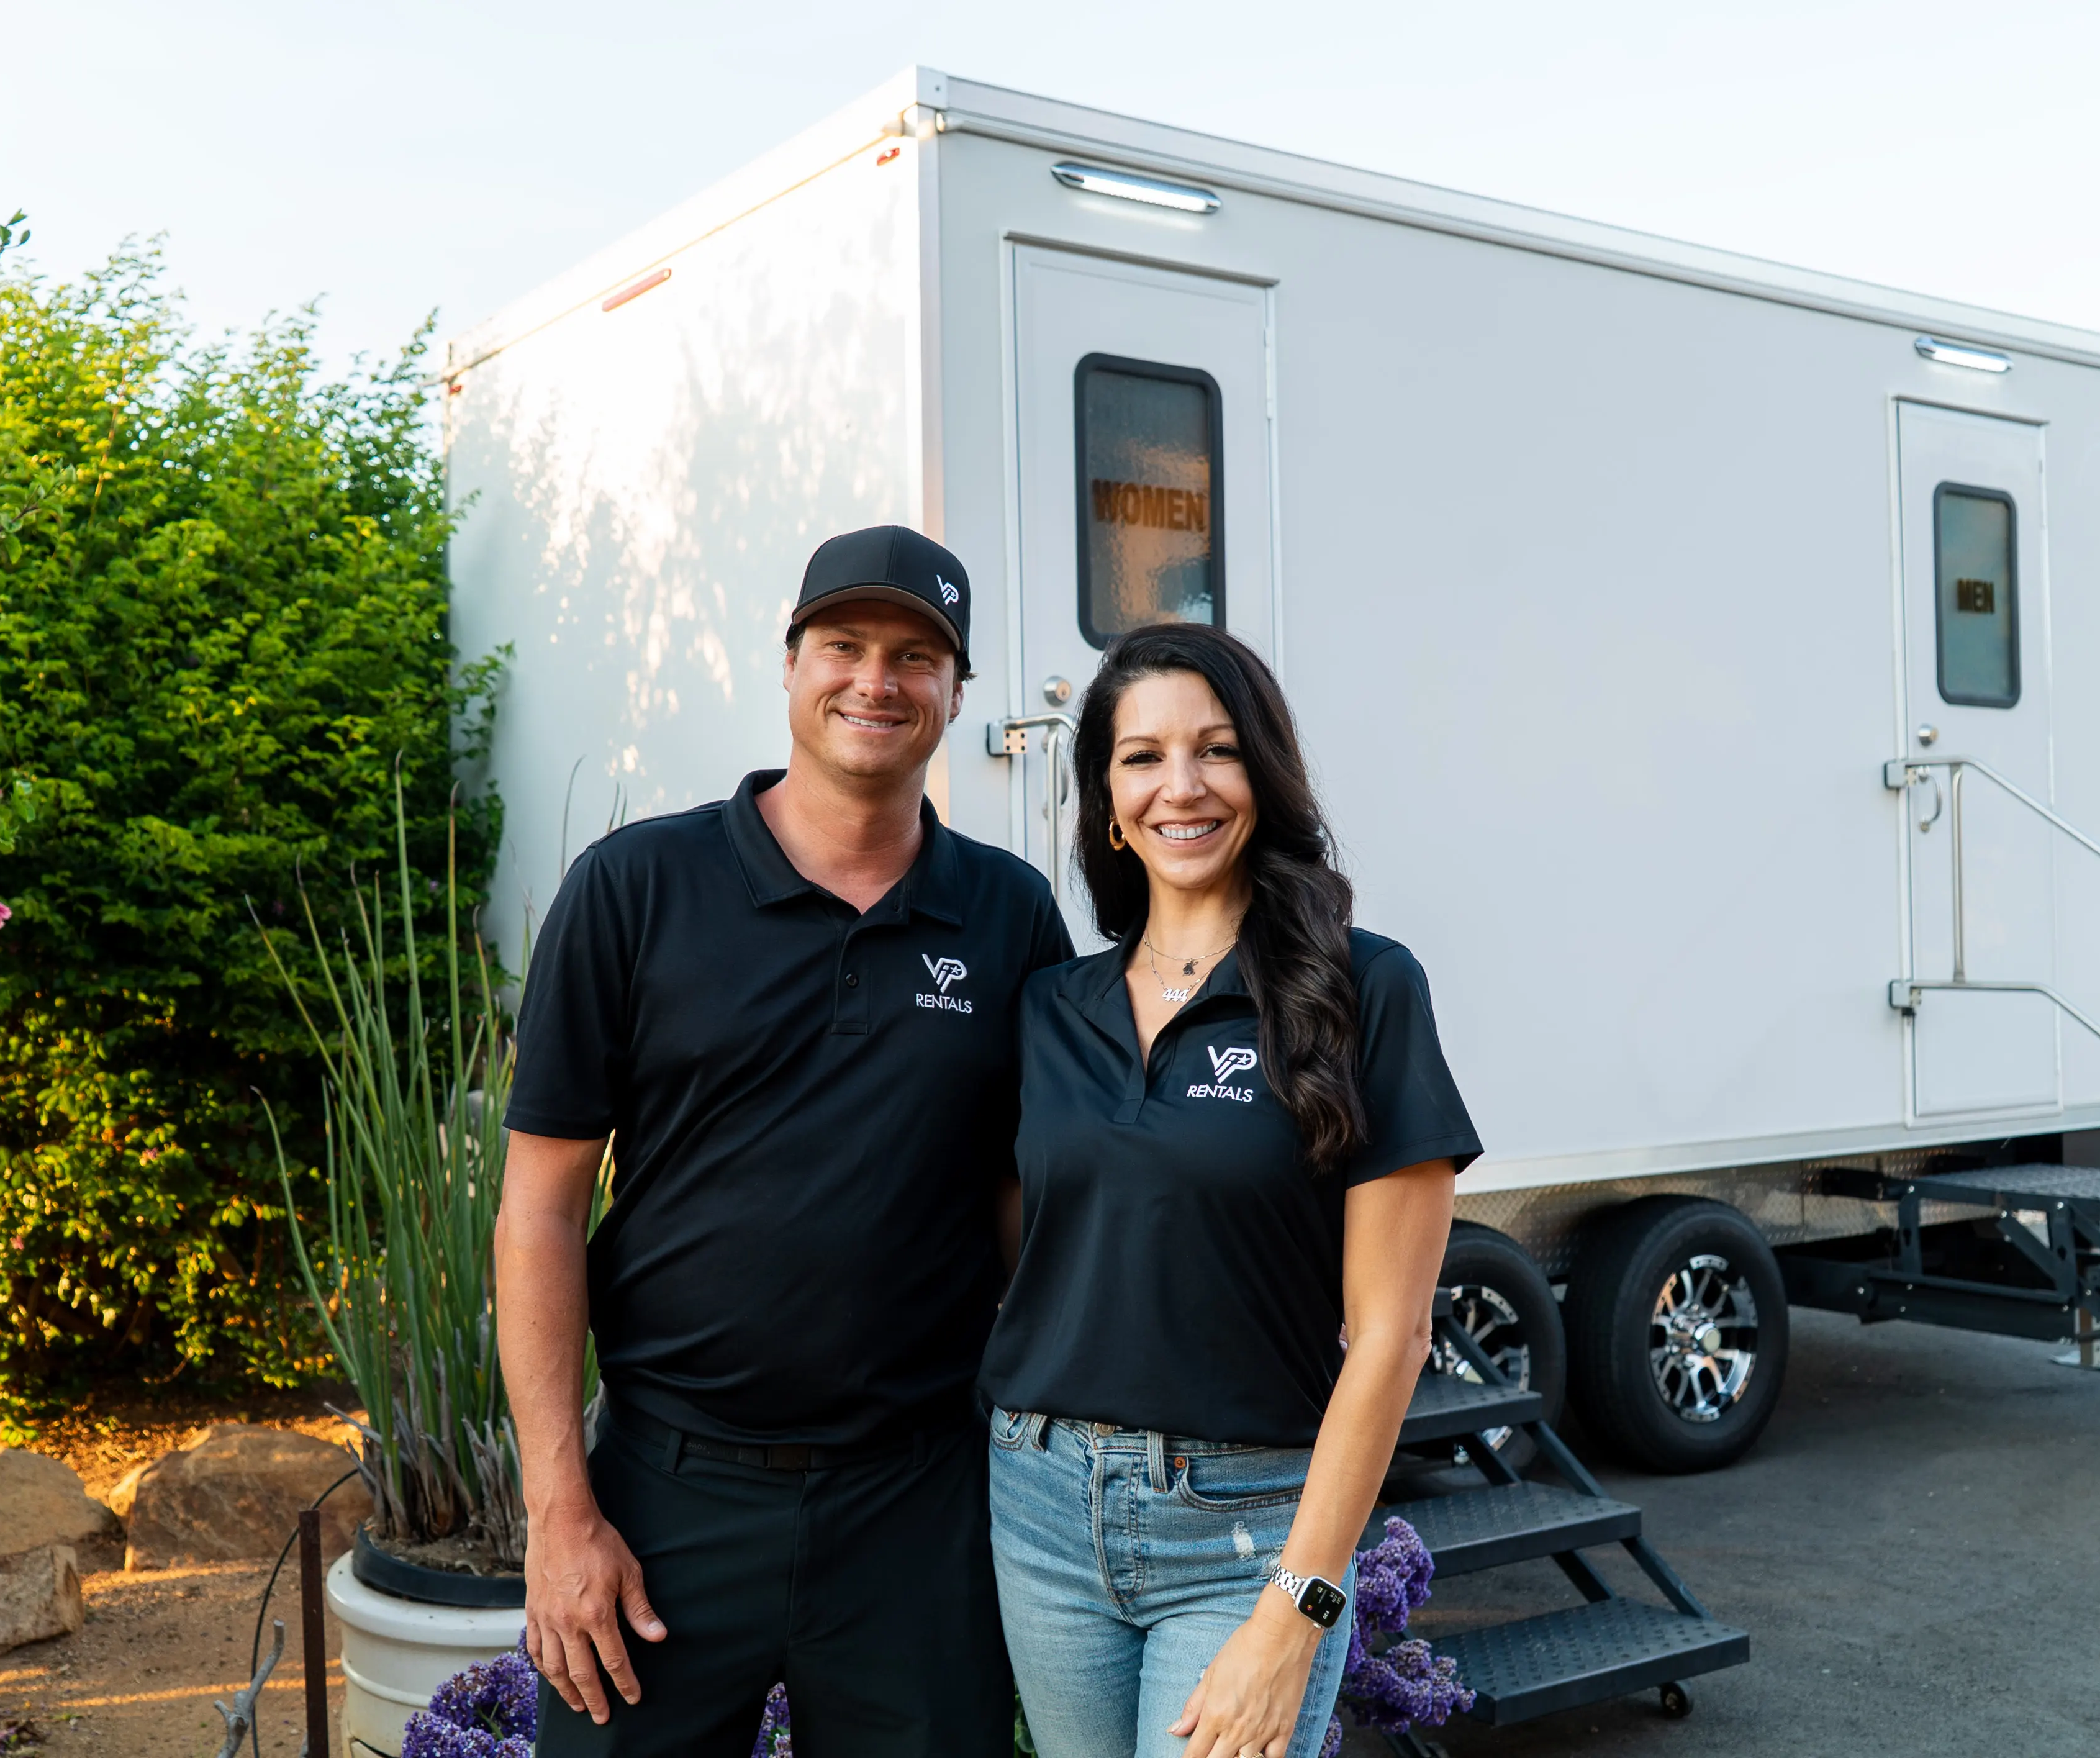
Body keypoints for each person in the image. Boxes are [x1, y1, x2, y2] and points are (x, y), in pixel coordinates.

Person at [494, 525, 1073, 1756]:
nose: (877, 681)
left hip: (915, 1505)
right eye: (845, 645)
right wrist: (559, 1513)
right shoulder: (634, 890)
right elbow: (538, 1208)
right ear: (792, 663)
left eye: (916, 657)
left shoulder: (1008, 914)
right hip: (666, 1494)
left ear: (955, 694)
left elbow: (1034, 1201)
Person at [980, 622, 1478, 1758]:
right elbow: (1029, 1250)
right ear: (1107, 799)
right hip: (1043, 1504)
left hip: (1247, 1527)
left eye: (1216, 750)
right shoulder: (1053, 1006)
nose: (1181, 787)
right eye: (1142, 757)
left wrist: (1302, 1609)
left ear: (1265, 773)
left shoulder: (1366, 989)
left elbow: (1392, 1338)